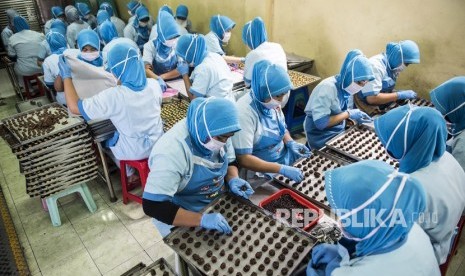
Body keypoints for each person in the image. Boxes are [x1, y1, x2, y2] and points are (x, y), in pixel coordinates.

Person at [142, 97, 254, 237]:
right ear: (204, 130)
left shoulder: (220, 130)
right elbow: (153, 206)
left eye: (228, 137)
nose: (224, 142)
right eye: (221, 138)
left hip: (214, 202)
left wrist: (233, 178)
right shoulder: (171, 151)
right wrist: (201, 219)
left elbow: (230, 160)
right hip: (182, 211)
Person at [307, 160, 440, 276]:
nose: (341, 220)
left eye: (344, 215)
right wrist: (342, 253)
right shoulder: (409, 228)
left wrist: (335, 266)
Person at [58, 42, 164, 185]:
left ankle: (129, 174)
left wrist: (66, 77)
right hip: (158, 142)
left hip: (135, 151)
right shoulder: (154, 85)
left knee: (106, 143)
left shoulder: (114, 96)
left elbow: (75, 107)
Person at [374, 105, 465, 264]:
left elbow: (390, 238)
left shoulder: (412, 189)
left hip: (423, 256)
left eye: (389, 142)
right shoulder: (447, 159)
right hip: (445, 233)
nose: (385, 147)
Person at [232, 60, 308, 182]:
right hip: (260, 173)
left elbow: (281, 128)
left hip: (282, 159)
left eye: (284, 94)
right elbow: (243, 158)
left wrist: (290, 142)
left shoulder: (271, 101)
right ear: (263, 91)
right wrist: (280, 169)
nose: (281, 100)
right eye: (278, 96)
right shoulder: (244, 112)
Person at [304, 50, 374, 149]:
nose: (360, 87)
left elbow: (341, 111)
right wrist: (349, 114)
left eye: (364, 84)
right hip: (319, 133)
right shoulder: (328, 88)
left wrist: (352, 118)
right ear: (349, 76)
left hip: (337, 129)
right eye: (359, 83)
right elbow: (321, 123)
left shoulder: (347, 89)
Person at [356, 40, 420, 108]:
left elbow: (383, 88)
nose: (405, 67)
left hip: (375, 103)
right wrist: (398, 95)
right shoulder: (375, 66)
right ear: (398, 57)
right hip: (359, 104)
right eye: (406, 63)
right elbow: (371, 99)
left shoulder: (392, 67)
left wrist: (396, 93)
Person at [175, 34, 234, 102]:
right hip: (228, 100)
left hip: (216, 106)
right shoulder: (214, 56)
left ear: (190, 54)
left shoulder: (203, 69)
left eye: (184, 57)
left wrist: (185, 75)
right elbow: (195, 83)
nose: (184, 60)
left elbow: (194, 100)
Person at [430, 76, 465, 172]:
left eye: (443, 109)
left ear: (458, 107)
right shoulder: (461, 122)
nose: (439, 112)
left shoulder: (462, 146)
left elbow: (457, 182)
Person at [143, 10, 180, 84]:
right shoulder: (150, 46)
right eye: (170, 38)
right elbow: (146, 69)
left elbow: (182, 69)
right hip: (157, 82)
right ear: (162, 35)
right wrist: (157, 80)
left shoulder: (178, 43)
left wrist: (161, 77)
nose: (173, 40)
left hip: (177, 81)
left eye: (175, 37)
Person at [42, 28, 68, 105]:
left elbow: (50, 84)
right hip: (85, 98)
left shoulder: (48, 61)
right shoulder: (75, 52)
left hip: (66, 101)